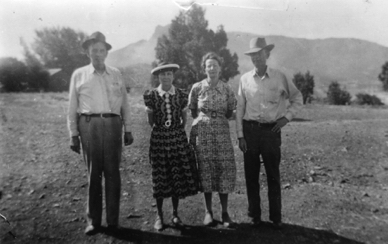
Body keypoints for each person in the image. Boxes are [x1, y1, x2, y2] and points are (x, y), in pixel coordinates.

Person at [67, 31, 134, 235]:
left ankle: (113, 220)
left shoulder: (116, 74)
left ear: (106, 52)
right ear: (88, 52)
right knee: (93, 174)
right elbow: (72, 106)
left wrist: (128, 129)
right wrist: (73, 133)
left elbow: (125, 104)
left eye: (101, 50)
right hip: (89, 125)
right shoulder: (79, 74)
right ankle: (94, 221)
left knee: (113, 174)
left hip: (113, 124)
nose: (98, 54)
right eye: (94, 50)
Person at [236, 37, 303, 230]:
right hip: (250, 131)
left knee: (273, 174)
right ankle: (254, 215)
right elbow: (240, 108)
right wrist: (240, 135)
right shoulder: (245, 80)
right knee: (251, 175)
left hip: (271, 132)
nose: (256, 58)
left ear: (267, 54)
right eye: (253, 55)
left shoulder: (280, 77)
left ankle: (276, 217)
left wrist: (286, 118)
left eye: (260, 53)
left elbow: (298, 98)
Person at [143, 61, 198, 231]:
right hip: (159, 137)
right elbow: (151, 122)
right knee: (160, 175)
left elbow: (183, 120)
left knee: (176, 175)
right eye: (162, 74)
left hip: (177, 138)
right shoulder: (151, 96)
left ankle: (175, 214)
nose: (166, 77)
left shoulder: (181, 95)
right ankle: (159, 216)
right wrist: (162, 131)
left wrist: (174, 133)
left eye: (169, 74)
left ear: (173, 76)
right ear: (158, 77)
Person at [188, 52, 237, 228]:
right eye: (209, 65)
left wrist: (217, 118)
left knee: (224, 168)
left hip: (222, 133)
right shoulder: (197, 88)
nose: (212, 68)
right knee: (206, 168)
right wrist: (206, 118)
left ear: (220, 68)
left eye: (215, 65)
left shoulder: (227, 89)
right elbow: (193, 109)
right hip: (204, 132)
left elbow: (230, 111)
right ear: (204, 68)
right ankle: (208, 212)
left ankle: (224, 213)